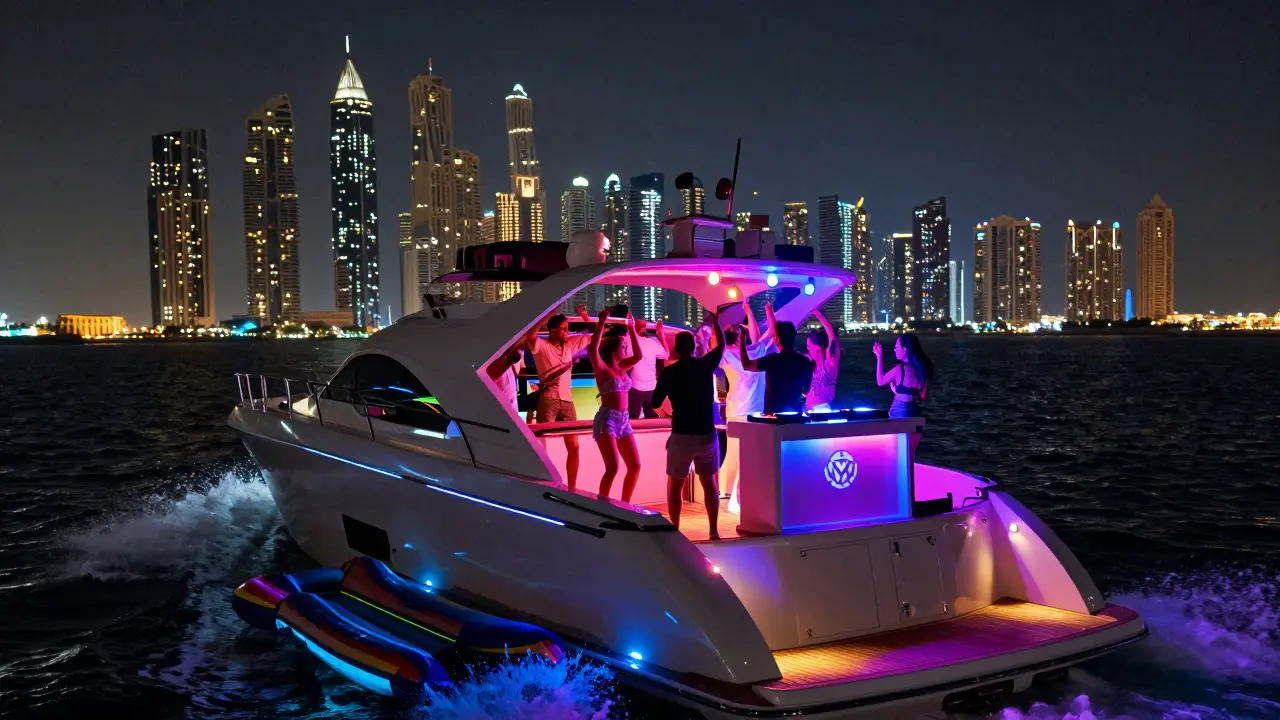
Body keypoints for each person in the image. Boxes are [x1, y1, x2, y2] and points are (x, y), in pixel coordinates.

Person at [651, 315, 726, 539]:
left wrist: (667, 414)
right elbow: (721, 345)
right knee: (709, 483)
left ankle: (675, 529)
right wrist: (715, 323)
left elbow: (654, 402)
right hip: (706, 433)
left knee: (675, 485)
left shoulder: (669, 373)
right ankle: (713, 530)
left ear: (675, 349)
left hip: (681, 434)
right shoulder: (704, 366)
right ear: (695, 347)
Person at [524, 308, 593, 490]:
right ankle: (544, 485)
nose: (566, 332)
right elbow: (529, 334)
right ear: (552, 330)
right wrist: (547, 314)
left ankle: (572, 487)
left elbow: (593, 337)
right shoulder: (541, 346)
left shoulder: (569, 345)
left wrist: (589, 319)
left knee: (574, 446)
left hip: (567, 401)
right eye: (562, 329)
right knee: (543, 446)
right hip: (549, 399)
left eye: (567, 329)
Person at [719, 300, 776, 512]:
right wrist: (754, 310)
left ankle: (728, 494)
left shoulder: (728, 354)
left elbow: (766, 330)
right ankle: (733, 498)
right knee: (740, 456)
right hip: (749, 413)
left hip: (738, 412)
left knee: (736, 455)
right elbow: (770, 330)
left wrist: (748, 310)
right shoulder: (756, 350)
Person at [587, 308, 644, 502]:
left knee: (635, 466)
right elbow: (592, 351)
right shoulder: (603, 369)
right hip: (608, 419)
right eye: (623, 347)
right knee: (613, 467)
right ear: (614, 349)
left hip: (624, 420)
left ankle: (625, 506)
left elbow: (638, 356)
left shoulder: (622, 367)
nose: (625, 350)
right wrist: (600, 325)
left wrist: (632, 328)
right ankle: (602, 505)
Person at [739, 305, 814, 415]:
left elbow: (746, 365)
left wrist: (742, 338)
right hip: (795, 415)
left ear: (777, 339)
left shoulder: (773, 360)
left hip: (773, 417)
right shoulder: (805, 361)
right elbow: (806, 390)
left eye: (774, 336)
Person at [873, 333, 933, 453]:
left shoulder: (900, 369)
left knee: (896, 452)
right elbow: (921, 396)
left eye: (896, 347)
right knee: (909, 453)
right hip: (915, 415)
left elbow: (880, 381)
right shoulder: (921, 370)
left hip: (899, 414)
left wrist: (879, 356)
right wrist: (897, 391)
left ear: (904, 350)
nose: (894, 349)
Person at [625, 317, 669, 419]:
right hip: (648, 387)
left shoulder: (628, 340)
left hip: (638, 387)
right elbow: (666, 354)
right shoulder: (652, 342)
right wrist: (660, 334)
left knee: (633, 419)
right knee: (650, 418)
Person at [805, 310, 841, 411]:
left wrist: (818, 314)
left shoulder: (830, 364)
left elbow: (832, 337)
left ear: (818, 348)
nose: (808, 349)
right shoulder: (810, 364)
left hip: (825, 412)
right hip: (809, 411)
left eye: (809, 346)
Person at [486, 341, 525, 410]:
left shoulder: (507, 355)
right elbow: (490, 374)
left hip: (512, 402)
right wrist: (509, 361)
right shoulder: (493, 356)